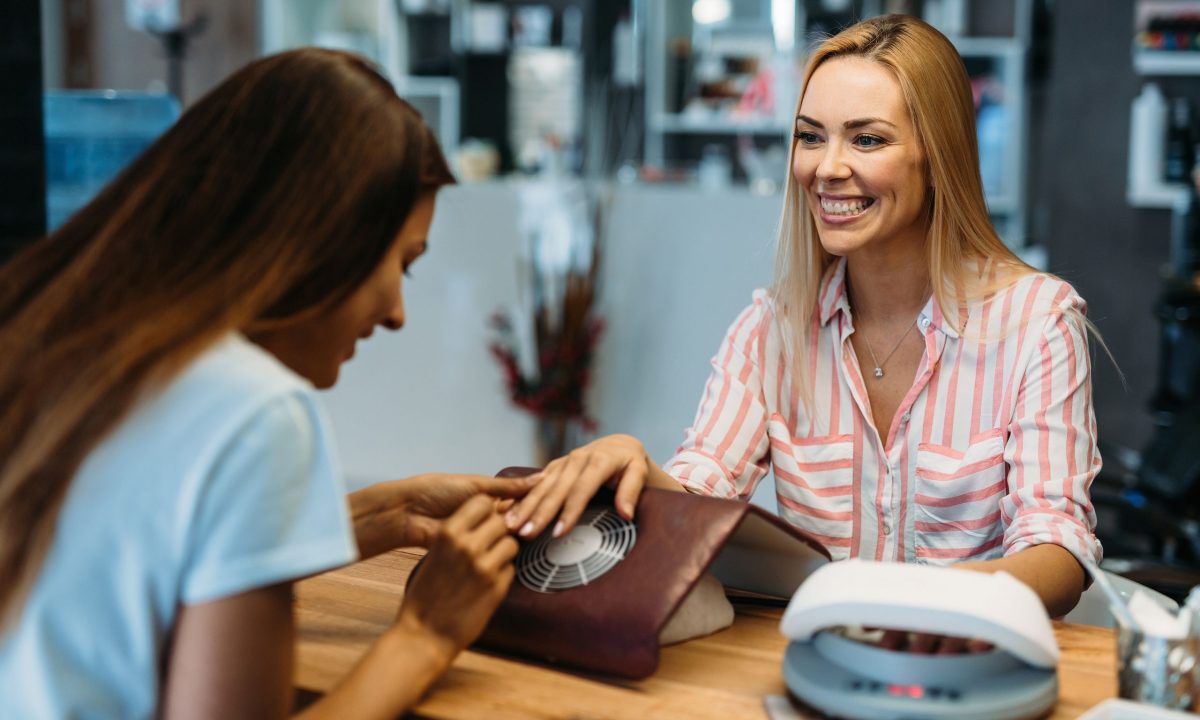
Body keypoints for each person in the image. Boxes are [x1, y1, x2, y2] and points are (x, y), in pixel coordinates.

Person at [506, 14, 1102, 628]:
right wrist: (631, 463)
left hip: (963, 665)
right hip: (816, 661)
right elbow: (703, 494)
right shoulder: (770, 330)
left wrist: (913, 607)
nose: (826, 168)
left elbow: (1057, 552)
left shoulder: (1038, 322)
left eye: (866, 140)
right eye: (810, 136)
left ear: (939, 154)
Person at [0, 48, 535, 718]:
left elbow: (142, 558)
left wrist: (381, 515)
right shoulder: (255, 410)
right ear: (323, 236)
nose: (397, 313)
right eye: (400, 262)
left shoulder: (53, 335)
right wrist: (425, 636)